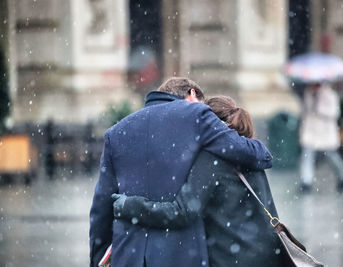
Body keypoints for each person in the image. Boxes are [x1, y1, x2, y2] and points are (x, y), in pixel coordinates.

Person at [89, 77, 273, 267]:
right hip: (179, 254)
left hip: (127, 254)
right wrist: (264, 153)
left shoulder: (116, 132)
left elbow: (101, 207)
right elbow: (246, 151)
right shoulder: (197, 114)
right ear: (192, 94)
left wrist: (97, 258)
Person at [299, 82, 343, 193]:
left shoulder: (330, 94)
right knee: (307, 156)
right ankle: (306, 182)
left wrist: (320, 109)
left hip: (325, 132)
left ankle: (342, 177)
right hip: (311, 131)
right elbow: (305, 110)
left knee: (331, 156)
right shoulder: (308, 93)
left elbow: (335, 112)